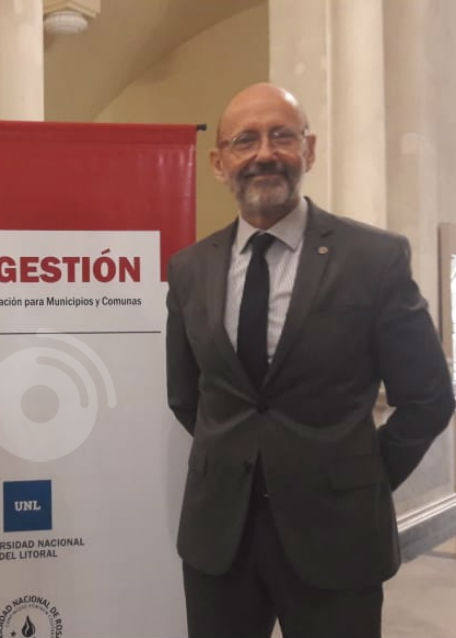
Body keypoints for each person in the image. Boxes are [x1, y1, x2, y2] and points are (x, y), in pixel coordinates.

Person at [166, 83, 454, 637]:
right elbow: (186, 396)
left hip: (338, 536)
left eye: (282, 136)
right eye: (245, 140)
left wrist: (363, 477)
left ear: (309, 149)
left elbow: (428, 398)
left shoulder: (374, 258)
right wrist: (239, 460)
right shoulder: (189, 270)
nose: (264, 153)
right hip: (220, 538)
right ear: (219, 163)